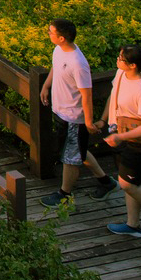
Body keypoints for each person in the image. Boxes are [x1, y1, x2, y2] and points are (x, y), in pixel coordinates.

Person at [39, 18, 116, 208]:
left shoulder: (78, 63)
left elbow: (86, 94)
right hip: (60, 111)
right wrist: (46, 85)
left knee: (70, 158)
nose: (48, 34)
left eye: (51, 32)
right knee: (76, 151)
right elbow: (55, 67)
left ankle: (64, 194)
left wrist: (88, 121)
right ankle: (106, 182)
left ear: (62, 38)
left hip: (74, 116)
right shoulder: (59, 50)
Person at [101, 45, 141, 240]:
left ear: (132, 65)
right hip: (124, 135)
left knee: (127, 184)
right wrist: (104, 120)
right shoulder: (121, 74)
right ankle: (133, 225)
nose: (118, 59)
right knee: (131, 182)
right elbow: (113, 96)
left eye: (121, 58)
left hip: (140, 143)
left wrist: (120, 137)